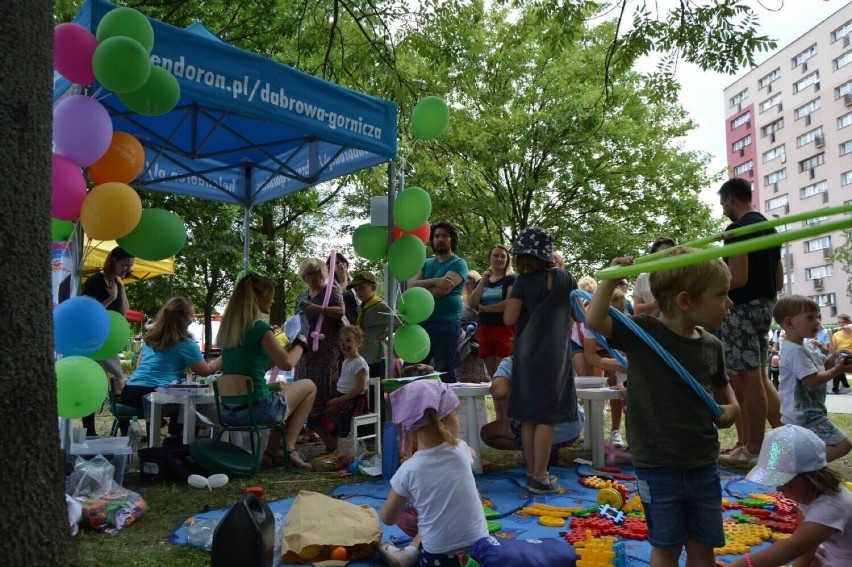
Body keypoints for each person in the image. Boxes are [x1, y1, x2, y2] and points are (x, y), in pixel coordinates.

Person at [585, 248, 739, 567]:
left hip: (702, 462)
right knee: (666, 547)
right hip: (657, 464)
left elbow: (726, 395)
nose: (730, 303)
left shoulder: (712, 346)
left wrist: (731, 411)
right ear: (686, 301)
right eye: (722, 294)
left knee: (703, 545)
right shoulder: (644, 332)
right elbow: (595, 319)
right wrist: (611, 277)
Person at [379, 380, 488, 567]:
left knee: (422, 519)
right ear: (444, 421)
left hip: (438, 557)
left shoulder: (408, 469)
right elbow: (473, 453)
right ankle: (408, 554)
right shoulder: (461, 450)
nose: (459, 421)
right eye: (456, 414)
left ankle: (406, 555)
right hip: (480, 550)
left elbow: (387, 518)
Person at [503, 226, 578, 494]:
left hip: (526, 353)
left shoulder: (521, 282)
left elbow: (509, 319)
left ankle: (533, 473)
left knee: (529, 415)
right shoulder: (566, 278)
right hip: (554, 355)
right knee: (547, 415)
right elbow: (580, 316)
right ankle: (541, 476)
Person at [217, 274, 316, 469]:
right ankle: (287, 448)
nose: (273, 300)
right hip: (257, 410)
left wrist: (284, 348)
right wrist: (301, 343)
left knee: (283, 394)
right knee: (309, 386)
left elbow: (261, 365)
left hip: (229, 412)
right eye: (270, 295)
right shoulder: (259, 327)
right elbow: (288, 364)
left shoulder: (229, 329)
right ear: (257, 298)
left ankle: (271, 452)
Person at [717, 177, 783, 468]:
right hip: (764, 306)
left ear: (731, 199)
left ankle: (753, 449)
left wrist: (710, 289)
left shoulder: (738, 229)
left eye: (723, 204)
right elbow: (778, 280)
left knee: (748, 378)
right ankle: (780, 441)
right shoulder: (769, 228)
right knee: (760, 377)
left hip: (742, 308)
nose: (723, 211)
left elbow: (738, 277)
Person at [727, 425, 852, 567]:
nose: (779, 489)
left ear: (813, 477)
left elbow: (795, 547)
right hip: (836, 555)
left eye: (784, 482)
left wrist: (746, 564)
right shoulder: (809, 493)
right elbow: (808, 544)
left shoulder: (831, 506)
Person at [121, 298, 222, 437]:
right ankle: (177, 442)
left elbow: (140, 365)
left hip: (130, 393)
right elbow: (205, 371)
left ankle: (168, 439)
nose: (192, 320)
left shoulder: (151, 338)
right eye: (191, 315)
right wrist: (226, 355)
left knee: (180, 398)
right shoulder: (185, 343)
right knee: (192, 404)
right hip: (152, 396)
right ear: (182, 317)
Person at [772, 296, 852, 462]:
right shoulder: (794, 350)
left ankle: (804, 472)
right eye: (810, 317)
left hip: (807, 413)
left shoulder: (805, 345)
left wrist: (837, 354)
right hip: (804, 416)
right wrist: (839, 369)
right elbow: (812, 380)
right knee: (843, 445)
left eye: (817, 316)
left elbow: (824, 365)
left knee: (811, 447)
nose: (816, 321)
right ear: (789, 323)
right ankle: (802, 467)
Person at [481, 356, 584, 469]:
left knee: (488, 432)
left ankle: (538, 461)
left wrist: (497, 381)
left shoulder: (512, 361)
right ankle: (545, 455)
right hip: (573, 426)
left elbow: (499, 392)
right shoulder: (558, 356)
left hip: (541, 421)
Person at [81, 245, 135, 436]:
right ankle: (90, 430)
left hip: (109, 341)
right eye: (124, 265)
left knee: (119, 384)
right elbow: (87, 314)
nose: (127, 269)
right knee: (92, 385)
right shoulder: (95, 281)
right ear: (113, 261)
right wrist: (110, 298)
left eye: (130, 266)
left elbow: (123, 312)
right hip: (93, 340)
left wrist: (121, 288)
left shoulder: (116, 282)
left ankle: (124, 429)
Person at [408, 221, 469, 383]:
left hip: (446, 325)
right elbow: (410, 285)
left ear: (451, 240)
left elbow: (442, 290)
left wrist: (422, 290)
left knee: (443, 370)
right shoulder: (426, 263)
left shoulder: (458, 263)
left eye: (444, 236)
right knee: (412, 368)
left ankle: (450, 408)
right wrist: (436, 279)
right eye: (436, 236)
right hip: (422, 324)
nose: (440, 239)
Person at [307, 326, 369, 453]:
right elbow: (349, 381)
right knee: (313, 415)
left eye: (348, 340)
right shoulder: (346, 361)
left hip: (353, 402)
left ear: (359, 343)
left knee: (325, 416)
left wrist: (338, 400)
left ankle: (332, 446)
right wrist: (337, 379)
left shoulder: (360, 363)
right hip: (341, 398)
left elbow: (360, 388)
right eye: (341, 341)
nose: (344, 344)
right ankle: (331, 445)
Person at [294, 258, 345, 410]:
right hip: (304, 351)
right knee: (302, 385)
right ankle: (306, 425)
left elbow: (340, 311)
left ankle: (321, 425)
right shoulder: (301, 297)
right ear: (304, 276)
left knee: (322, 387)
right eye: (308, 274)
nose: (312, 277)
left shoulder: (331, 290)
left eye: (316, 273)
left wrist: (318, 309)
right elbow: (295, 320)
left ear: (323, 273)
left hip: (326, 349)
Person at [582, 288, 629, 448]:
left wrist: (624, 364)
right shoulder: (589, 320)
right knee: (588, 383)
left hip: (612, 348)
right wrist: (612, 363)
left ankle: (616, 430)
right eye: (610, 314)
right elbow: (590, 355)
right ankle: (590, 431)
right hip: (584, 346)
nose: (613, 318)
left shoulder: (629, 320)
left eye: (617, 313)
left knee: (616, 379)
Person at [467, 244, 517, 379]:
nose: (499, 259)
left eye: (503, 256)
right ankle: (497, 400)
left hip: (504, 329)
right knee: (491, 373)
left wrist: (485, 309)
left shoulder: (511, 279)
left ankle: (508, 399)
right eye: (496, 255)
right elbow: (471, 303)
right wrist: (483, 280)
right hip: (485, 329)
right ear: (490, 258)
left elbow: (509, 303)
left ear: (507, 260)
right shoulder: (482, 281)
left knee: (503, 373)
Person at [348, 270, 398, 378]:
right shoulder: (362, 306)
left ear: (373, 287)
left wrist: (386, 333)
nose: (359, 292)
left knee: (376, 386)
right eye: (356, 289)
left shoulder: (380, 306)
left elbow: (400, 321)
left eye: (362, 288)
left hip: (375, 355)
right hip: (363, 352)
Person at [456, 270, 488, 383]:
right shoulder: (461, 300)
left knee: (477, 382)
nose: (467, 286)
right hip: (461, 346)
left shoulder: (483, 300)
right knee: (460, 382)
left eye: (471, 283)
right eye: (465, 283)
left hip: (475, 345)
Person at [632, 237, 677, 318]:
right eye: (662, 254)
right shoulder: (643, 278)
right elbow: (636, 311)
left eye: (670, 254)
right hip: (648, 328)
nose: (666, 258)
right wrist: (655, 304)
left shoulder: (681, 276)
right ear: (654, 257)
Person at [569, 275, 598, 378]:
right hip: (579, 340)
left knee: (586, 378)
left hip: (581, 340)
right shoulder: (579, 300)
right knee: (592, 378)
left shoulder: (577, 299)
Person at [328, 253, 358, 325]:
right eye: (337, 262)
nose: (341, 264)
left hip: (358, 324)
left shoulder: (356, 283)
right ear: (331, 268)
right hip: (338, 325)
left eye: (342, 261)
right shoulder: (329, 287)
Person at [828, 313, 852, 394]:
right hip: (840, 356)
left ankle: (837, 388)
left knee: (838, 360)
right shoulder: (836, 334)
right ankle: (845, 386)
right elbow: (832, 350)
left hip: (850, 355)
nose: (841, 324)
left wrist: (851, 331)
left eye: (843, 322)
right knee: (837, 361)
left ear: (849, 323)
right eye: (839, 323)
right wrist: (830, 337)